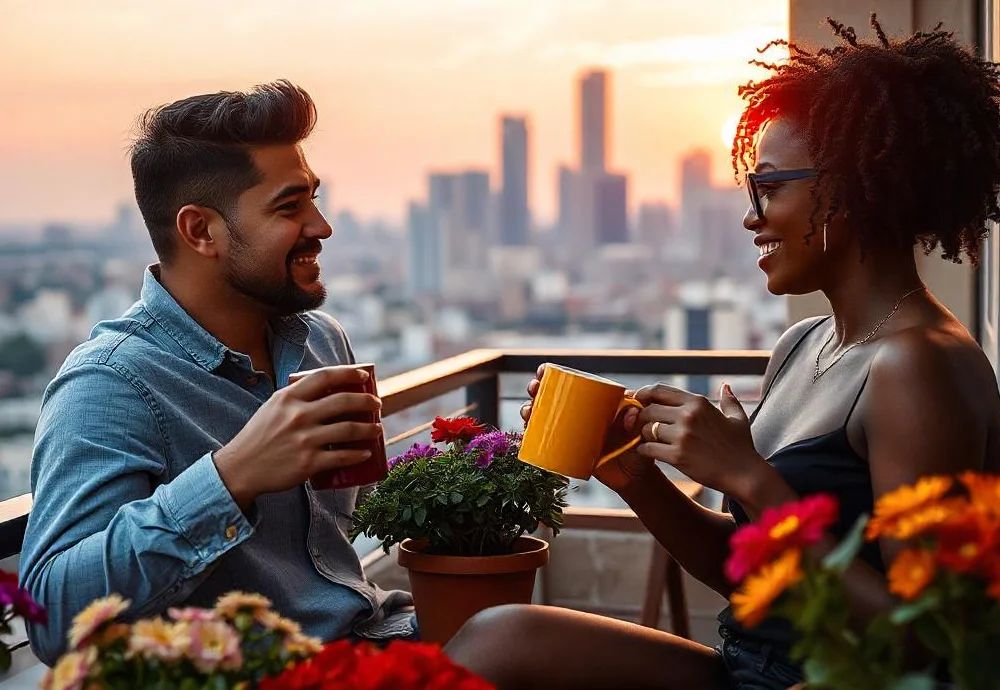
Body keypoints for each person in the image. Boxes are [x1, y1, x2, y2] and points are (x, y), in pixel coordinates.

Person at [445, 15, 1000, 690]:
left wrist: (750, 478)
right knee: (498, 636)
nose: (751, 215)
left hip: (821, 679)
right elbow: (742, 566)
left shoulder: (920, 366)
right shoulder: (803, 344)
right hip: (744, 664)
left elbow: (921, 644)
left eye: (770, 187)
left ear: (850, 188)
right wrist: (635, 477)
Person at [19, 81, 414, 665]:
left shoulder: (320, 340)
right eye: (290, 206)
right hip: (273, 674)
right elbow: (52, 617)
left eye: (313, 198)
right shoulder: (111, 383)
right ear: (201, 231)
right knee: (514, 638)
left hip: (372, 638)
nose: (322, 226)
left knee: (515, 630)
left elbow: (352, 523)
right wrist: (233, 476)